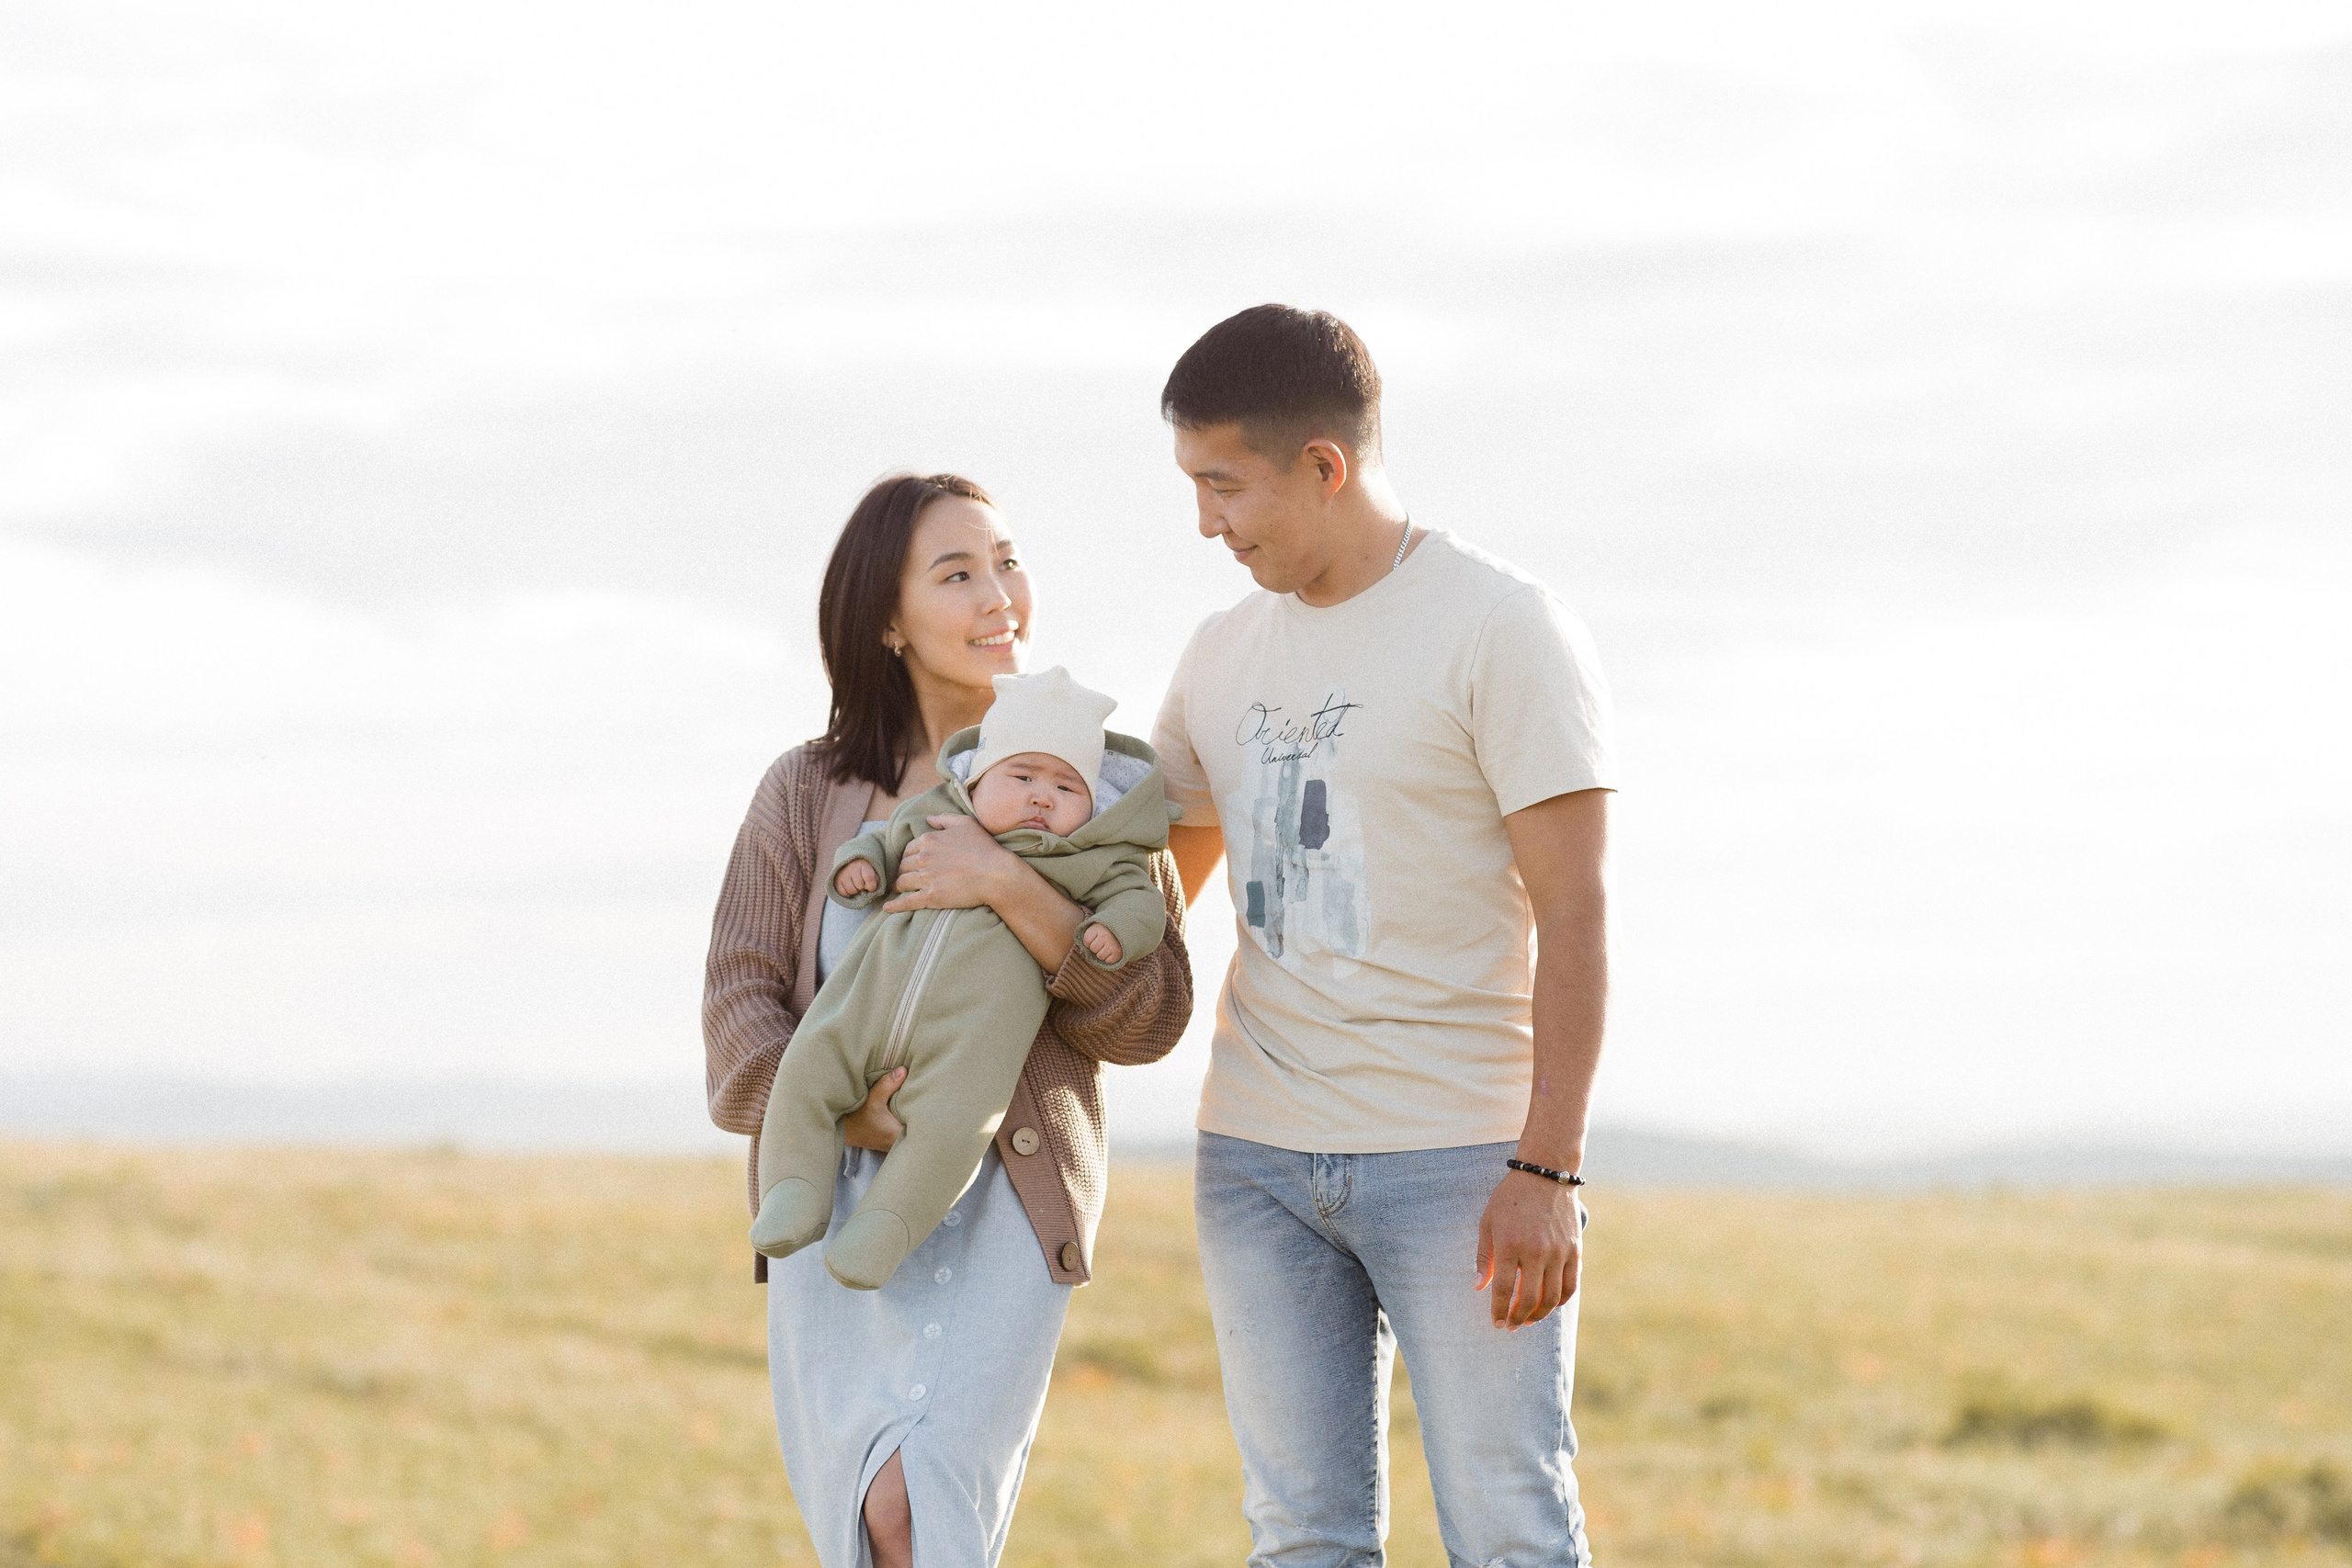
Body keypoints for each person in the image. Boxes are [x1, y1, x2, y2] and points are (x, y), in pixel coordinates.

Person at [1149, 306, 1617, 1567]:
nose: (1207, 522)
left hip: (1462, 1162)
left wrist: (1549, 1169)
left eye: (1224, 485)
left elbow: (1575, 909)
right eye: (1193, 487)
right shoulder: (1218, 652)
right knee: (1302, 1535)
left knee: (1508, 1526)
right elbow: (1151, 892)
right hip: (1256, 1159)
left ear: (1323, 465)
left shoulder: (1500, 626)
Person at [703, 473, 1193, 1568]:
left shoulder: (1098, 784)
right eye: (958, 573)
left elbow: (1151, 1013)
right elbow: (737, 1005)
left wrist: (1007, 886)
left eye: (1009, 562)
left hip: (1005, 1205)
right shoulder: (805, 792)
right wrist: (849, 1118)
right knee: (868, 1519)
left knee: (926, 1509)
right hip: (831, 1197)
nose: (999, 595)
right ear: (886, 618)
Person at [750, 664, 1173, 1291]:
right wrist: (861, 866)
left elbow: (1141, 903)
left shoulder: (1090, 856)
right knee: (808, 1067)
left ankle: (882, 1231)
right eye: (1022, 776)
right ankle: (792, 1190)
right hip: (867, 1001)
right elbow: (885, 843)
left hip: (970, 1045)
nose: (1041, 797)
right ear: (975, 779)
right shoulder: (936, 815)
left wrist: (1112, 933)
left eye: (1066, 786)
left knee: (952, 1132)